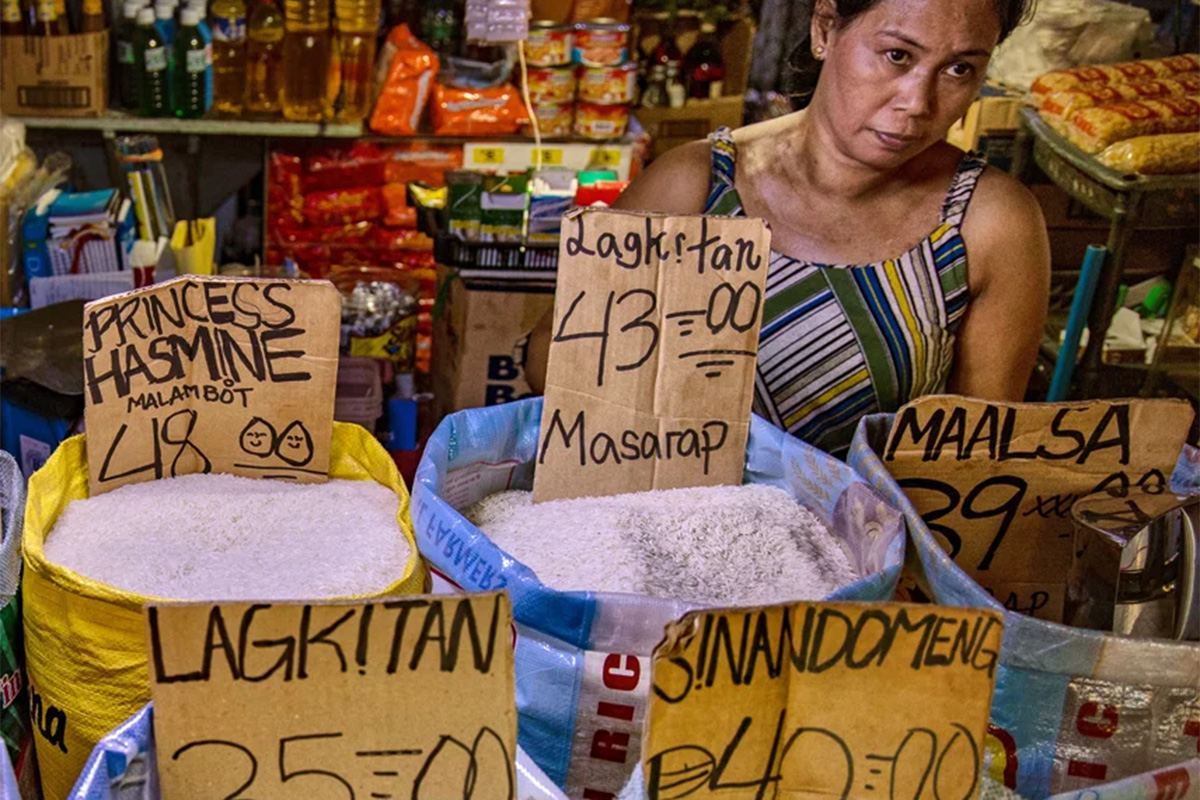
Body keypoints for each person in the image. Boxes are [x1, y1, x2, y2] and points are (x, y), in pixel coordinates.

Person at [529, 0, 1050, 456]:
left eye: (959, 69)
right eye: (897, 56)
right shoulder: (694, 188)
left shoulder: (988, 223)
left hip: (870, 559)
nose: (918, 102)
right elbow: (552, 369)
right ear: (825, 28)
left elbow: (976, 457)